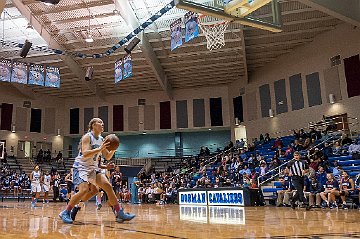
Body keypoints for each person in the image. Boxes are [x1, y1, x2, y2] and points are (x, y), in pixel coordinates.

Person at [59, 118, 135, 224]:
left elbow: (107, 156)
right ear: (93, 125)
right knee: (84, 190)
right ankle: (66, 212)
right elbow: (85, 153)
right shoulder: (87, 137)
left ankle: (119, 212)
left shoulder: (101, 139)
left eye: (103, 123)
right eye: (100, 123)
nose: (102, 124)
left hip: (93, 168)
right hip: (81, 167)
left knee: (107, 187)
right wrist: (99, 149)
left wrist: (114, 148)